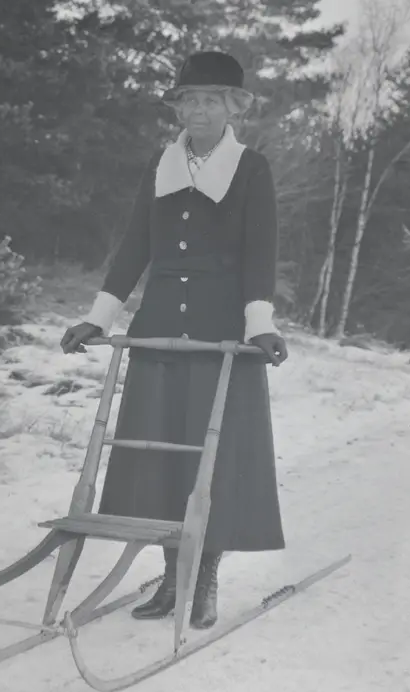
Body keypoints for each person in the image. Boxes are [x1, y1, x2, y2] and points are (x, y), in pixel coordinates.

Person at [61, 51, 288, 630]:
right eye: (189, 100)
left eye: (211, 100)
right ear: (178, 108)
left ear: (234, 107)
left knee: (213, 458)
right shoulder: (160, 166)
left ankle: (203, 576)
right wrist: (100, 317)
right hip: (158, 328)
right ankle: (169, 576)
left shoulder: (250, 168)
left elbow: (260, 253)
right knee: (159, 455)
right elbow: (135, 245)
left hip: (221, 334)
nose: (199, 111)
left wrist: (259, 323)